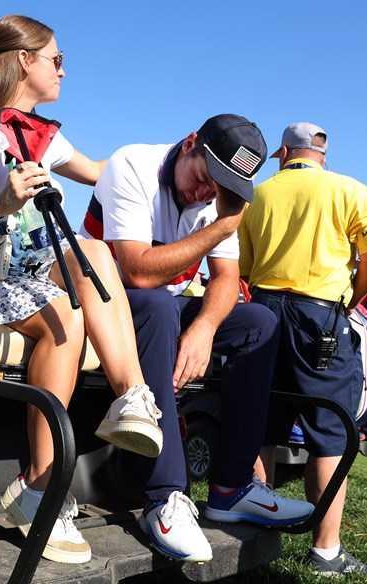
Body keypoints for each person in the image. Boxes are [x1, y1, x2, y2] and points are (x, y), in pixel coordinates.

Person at [0, 14, 163, 565]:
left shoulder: (38, 133)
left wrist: (178, 163)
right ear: (24, 60)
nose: (63, 72)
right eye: (57, 60)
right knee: (65, 317)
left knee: (95, 250)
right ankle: (39, 490)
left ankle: (132, 400)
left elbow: (104, 172)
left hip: (21, 271)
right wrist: (0, 204)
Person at [80, 114, 315, 562]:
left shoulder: (217, 198)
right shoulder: (133, 163)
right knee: (160, 305)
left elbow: (226, 279)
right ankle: (163, 497)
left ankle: (230, 487)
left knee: (259, 323)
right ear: (190, 143)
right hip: (99, 298)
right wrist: (221, 228)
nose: (205, 193)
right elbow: (136, 271)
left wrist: (205, 328)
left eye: (219, 189)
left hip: (158, 306)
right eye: (205, 177)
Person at [239, 122, 367, 577]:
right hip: (320, 315)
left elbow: (244, 268)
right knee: (331, 431)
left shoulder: (257, 193)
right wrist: (352, 299)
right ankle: (325, 553)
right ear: (323, 153)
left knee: (261, 423)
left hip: (264, 308)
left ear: (284, 151)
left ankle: (253, 542)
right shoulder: (350, 189)